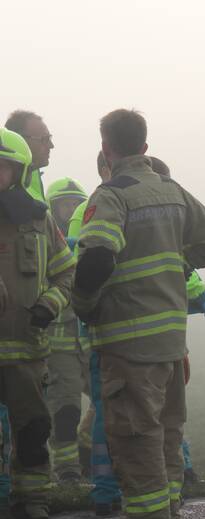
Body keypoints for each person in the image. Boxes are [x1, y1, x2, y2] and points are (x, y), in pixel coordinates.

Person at [72, 109, 205, 519]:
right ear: (144, 146)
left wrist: (84, 305)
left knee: (135, 438)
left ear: (107, 148)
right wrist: (176, 262)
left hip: (128, 342)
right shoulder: (171, 191)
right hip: (170, 342)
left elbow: (97, 257)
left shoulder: (111, 195)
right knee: (166, 435)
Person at [0, 128, 75, 519]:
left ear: (20, 172)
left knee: (33, 432)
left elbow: (66, 272)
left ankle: (33, 506)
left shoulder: (38, 219)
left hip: (27, 351)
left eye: (4, 166)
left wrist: (50, 303)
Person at [45, 178, 91, 483]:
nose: (71, 209)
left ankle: (87, 451)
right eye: (65, 204)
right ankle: (68, 471)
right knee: (65, 409)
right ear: (53, 208)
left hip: (90, 338)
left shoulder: (90, 238)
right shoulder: (43, 240)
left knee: (110, 399)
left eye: (76, 204)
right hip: (59, 344)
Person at [5, 111, 53, 203]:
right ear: (20, 140)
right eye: (44, 139)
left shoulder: (31, 182)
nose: (51, 145)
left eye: (49, 138)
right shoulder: (5, 185)